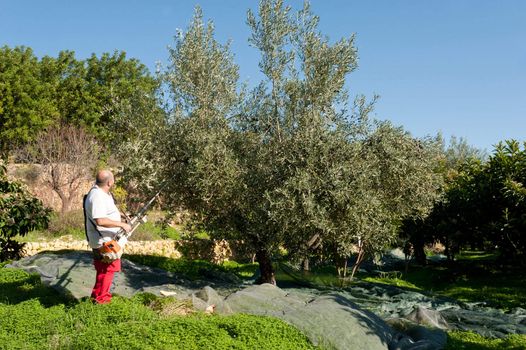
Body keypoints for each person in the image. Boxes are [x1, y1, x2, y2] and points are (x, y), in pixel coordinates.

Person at [83, 169, 131, 304]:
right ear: (110, 182)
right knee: (108, 271)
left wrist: (121, 216)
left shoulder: (102, 193)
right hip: (103, 241)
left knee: (103, 270)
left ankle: (96, 297)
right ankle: (102, 300)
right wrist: (122, 224)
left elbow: (105, 212)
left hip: (105, 239)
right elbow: (100, 220)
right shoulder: (97, 196)